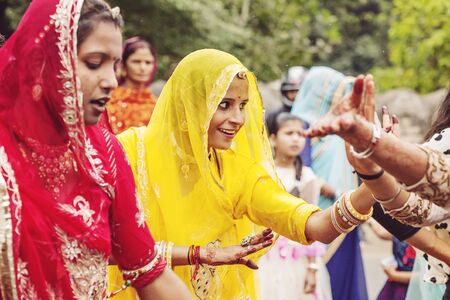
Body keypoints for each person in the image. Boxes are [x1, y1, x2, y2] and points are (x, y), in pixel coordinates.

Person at [109, 49, 381, 299]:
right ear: (190, 103)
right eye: (224, 104)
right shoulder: (129, 153)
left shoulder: (236, 169)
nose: (238, 118)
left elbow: (313, 225)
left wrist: (374, 178)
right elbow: (99, 248)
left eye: (242, 105)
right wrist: (199, 255)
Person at [0, 0, 193, 298]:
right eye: (94, 63)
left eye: (114, 65)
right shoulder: (5, 155)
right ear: (46, 60)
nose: (111, 81)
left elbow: (148, 270)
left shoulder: (104, 154)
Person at [291, 66, 368, 300]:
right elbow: (298, 170)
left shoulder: (338, 128)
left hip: (347, 212)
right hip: (318, 217)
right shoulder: (299, 126)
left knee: (344, 282)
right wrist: (332, 190)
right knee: (321, 282)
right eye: (334, 92)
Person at [258, 112, 332, 300]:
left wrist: (312, 268)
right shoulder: (263, 173)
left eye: (300, 134)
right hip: (266, 257)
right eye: (289, 133)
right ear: (273, 139)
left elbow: (312, 225)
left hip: (297, 258)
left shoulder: (307, 177)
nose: (296, 139)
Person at [105, 36, 159, 134]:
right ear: (124, 65)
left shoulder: (157, 105)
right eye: (136, 62)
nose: (143, 68)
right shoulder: (108, 101)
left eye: (148, 62)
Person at [368, 219, 416, 300]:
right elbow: (382, 233)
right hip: (394, 284)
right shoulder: (402, 229)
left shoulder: (422, 236)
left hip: (411, 289)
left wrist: (394, 275)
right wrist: (369, 221)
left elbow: (421, 276)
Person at [265, 66, 308, 135]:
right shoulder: (273, 117)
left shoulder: (315, 116)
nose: (295, 95)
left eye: (299, 91)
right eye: (291, 91)